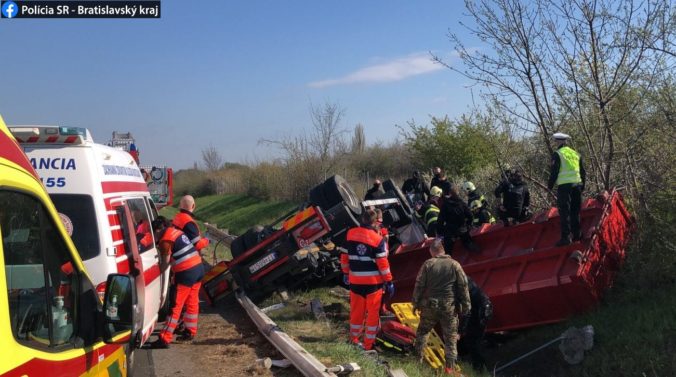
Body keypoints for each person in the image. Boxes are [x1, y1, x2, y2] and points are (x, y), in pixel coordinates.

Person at [412, 238, 471, 376]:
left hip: (430, 305)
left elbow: (419, 285)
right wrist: (466, 305)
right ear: (443, 250)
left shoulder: (428, 264)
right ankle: (449, 368)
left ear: (432, 251)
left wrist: (415, 303)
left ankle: (417, 361)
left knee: (423, 332)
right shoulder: (454, 265)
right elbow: (463, 286)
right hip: (448, 307)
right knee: (450, 338)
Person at [340, 208, 394, 351]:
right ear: (375, 222)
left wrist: (346, 273)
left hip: (355, 282)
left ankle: (354, 339)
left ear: (362, 220)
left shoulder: (350, 234)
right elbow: (383, 264)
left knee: (356, 312)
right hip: (373, 284)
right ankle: (368, 344)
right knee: (372, 315)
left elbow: (344, 257)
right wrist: (388, 281)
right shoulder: (378, 240)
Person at [148, 216, 205, 348]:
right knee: (192, 302)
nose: (154, 236)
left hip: (186, 273)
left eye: (155, 232)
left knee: (175, 306)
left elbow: (165, 264)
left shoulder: (165, 240)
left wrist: (154, 273)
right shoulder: (176, 232)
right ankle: (190, 331)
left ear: (159, 229)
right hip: (198, 268)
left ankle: (164, 338)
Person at [548, 132, 586, 246]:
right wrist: (582, 185)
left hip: (565, 186)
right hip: (577, 185)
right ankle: (577, 235)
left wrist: (550, 186)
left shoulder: (558, 154)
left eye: (556, 141)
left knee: (564, 212)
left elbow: (554, 171)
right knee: (575, 211)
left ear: (558, 141)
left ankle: (566, 237)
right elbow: (583, 172)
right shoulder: (576, 154)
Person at [458, 277, 493, 371]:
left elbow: (467, 311)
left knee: (472, 341)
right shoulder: (461, 278)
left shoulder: (461, 285)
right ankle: (480, 366)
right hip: (481, 309)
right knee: (473, 341)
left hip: (481, 311)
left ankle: (480, 367)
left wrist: (460, 331)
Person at [437, 184, 479, 253]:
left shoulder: (445, 206)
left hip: (451, 232)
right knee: (469, 243)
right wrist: (468, 226)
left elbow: (440, 221)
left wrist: (440, 233)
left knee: (447, 251)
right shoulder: (461, 203)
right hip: (463, 230)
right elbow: (470, 216)